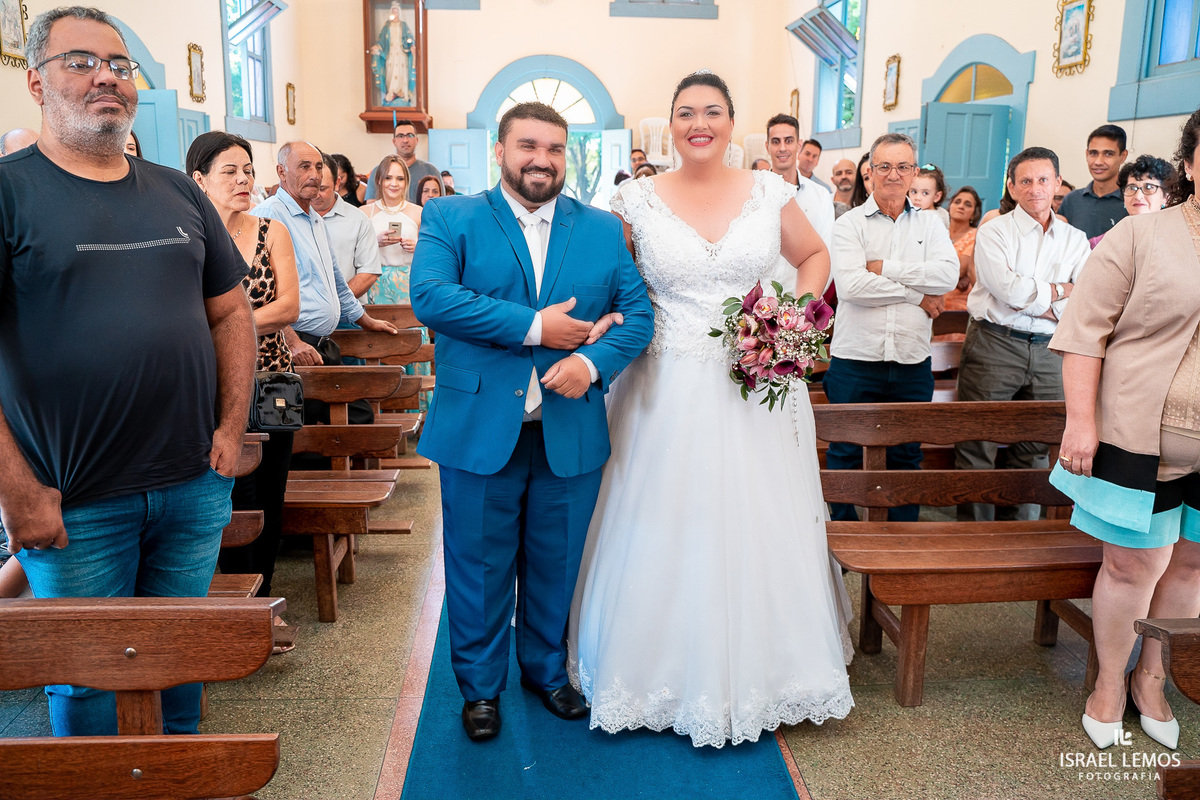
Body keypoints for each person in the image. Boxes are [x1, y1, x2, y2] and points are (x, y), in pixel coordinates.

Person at [569, 71, 854, 748]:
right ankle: (651, 670)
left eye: (713, 111)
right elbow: (610, 281)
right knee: (664, 519)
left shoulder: (767, 191)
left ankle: (771, 673)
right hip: (663, 387)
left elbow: (813, 255)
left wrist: (791, 318)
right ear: (669, 124)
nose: (700, 123)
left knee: (758, 521)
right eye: (686, 112)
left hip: (754, 386)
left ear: (733, 122)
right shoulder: (633, 200)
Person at [0, 6, 256, 736]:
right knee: (87, 689)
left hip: (190, 487)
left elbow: (231, 313)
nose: (106, 76)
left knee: (179, 672)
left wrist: (232, 430)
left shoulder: (177, 191)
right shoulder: (10, 191)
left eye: (118, 64)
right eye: (80, 62)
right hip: (72, 500)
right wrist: (17, 493)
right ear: (37, 83)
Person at [410, 101, 654, 742]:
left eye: (553, 148)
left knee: (557, 560)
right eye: (527, 146)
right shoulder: (451, 216)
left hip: (568, 425)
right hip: (478, 423)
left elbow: (638, 316)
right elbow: (432, 297)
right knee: (478, 565)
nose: (541, 160)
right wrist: (535, 327)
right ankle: (480, 688)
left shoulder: (602, 228)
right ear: (500, 150)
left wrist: (593, 364)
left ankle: (546, 672)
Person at [1050, 107, 1200, 752]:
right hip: (1138, 432)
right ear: (1190, 163)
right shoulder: (1141, 235)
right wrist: (1081, 423)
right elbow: (1084, 333)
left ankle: (1154, 677)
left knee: (1192, 564)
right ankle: (1109, 682)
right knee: (1132, 564)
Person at [187, 131, 300, 607]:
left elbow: (290, 306)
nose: (243, 180)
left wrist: (232, 326)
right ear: (200, 179)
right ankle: (231, 606)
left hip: (275, 381)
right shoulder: (187, 235)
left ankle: (265, 607)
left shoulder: (271, 230)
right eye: (229, 171)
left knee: (269, 498)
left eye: (248, 170)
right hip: (210, 388)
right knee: (226, 497)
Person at [823, 133, 959, 523]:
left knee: (905, 456)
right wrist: (917, 296)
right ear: (870, 172)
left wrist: (884, 268)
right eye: (884, 166)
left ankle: (901, 538)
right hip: (855, 358)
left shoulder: (931, 225)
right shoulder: (850, 224)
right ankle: (845, 540)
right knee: (845, 453)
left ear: (914, 172)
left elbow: (947, 275)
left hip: (911, 359)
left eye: (902, 166)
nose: (893, 175)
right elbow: (852, 286)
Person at [955, 147, 1091, 521]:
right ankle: (974, 538)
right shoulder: (994, 231)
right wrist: (1061, 290)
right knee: (977, 443)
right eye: (1026, 181)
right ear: (1012, 187)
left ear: (1057, 184)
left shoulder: (1075, 239)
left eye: (1043, 180)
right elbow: (1007, 290)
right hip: (995, 344)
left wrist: (1043, 298)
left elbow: (1087, 294)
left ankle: (1019, 531)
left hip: (1051, 349)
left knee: (1034, 445)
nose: (1035, 189)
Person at [252, 142, 397, 431]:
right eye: (304, 166)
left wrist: (366, 320)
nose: (314, 174)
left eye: (318, 167)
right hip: (289, 347)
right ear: (281, 171)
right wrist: (292, 342)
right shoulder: (267, 215)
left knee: (354, 418)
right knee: (295, 430)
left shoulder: (315, 219)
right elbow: (259, 294)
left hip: (321, 344)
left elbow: (337, 284)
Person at [765, 113, 835, 291]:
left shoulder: (821, 196)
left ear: (799, 145)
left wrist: (804, 305)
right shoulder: (753, 192)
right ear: (767, 146)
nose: (782, 148)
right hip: (758, 303)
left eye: (788, 141)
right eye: (775, 141)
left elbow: (827, 254)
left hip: (801, 301)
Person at [313, 154, 381, 300]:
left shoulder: (358, 220)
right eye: (312, 188)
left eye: (323, 188)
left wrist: (336, 303)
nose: (316, 195)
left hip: (347, 314)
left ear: (337, 183)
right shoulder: (293, 218)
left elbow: (369, 272)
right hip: (303, 316)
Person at [364, 155, 422, 304]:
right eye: (388, 178)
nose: (394, 184)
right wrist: (374, 242)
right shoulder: (364, 213)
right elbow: (353, 252)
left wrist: (418, 247)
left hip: (410, 282)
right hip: (374, 282)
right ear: (379, 180)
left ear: (407, 182)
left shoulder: (419, 213)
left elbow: (434, 251)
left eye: (400, 179)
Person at [1088, 155, 1174, 248]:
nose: (1138, 196)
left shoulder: (1176, 240)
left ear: (1166, 197)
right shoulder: (1100, 244)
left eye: (1149, 187)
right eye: (1132, 188)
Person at [1059, 124, 1129, 238]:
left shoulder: (1132, 202)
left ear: (1123, 156)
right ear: (1087, 154)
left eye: (1108, 154)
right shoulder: (1071, 201)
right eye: (1093, 153)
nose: (1098, 161)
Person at [366, 121, 440, 204]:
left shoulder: (431, 171)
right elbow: (371, 205)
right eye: (400, 136)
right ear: (394, 141)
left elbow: (441, 204)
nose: (405, 140)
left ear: (416, 140)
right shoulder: (379, 171)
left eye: (410, 135)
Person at [943, 185, 983, 311]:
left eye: (968, 204)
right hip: (928, 302)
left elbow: (958, 271)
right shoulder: (938, 231)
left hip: (958, 308)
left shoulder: (976, 236)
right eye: (957, 202)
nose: (961, 206)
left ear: (974, 214)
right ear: (950, 207)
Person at [369, 0, 414, 105]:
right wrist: (378, 47)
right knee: (391, 71)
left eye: (397, 12)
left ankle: (402, 92)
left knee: (401, 71)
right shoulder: (387, 26)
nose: (395, 14)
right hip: (391, 54)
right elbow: (381, 40)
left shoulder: (403, 25)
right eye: (393, 11)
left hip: (401, 53)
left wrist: (411, 44)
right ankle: (391, 91)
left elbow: (410, 38)